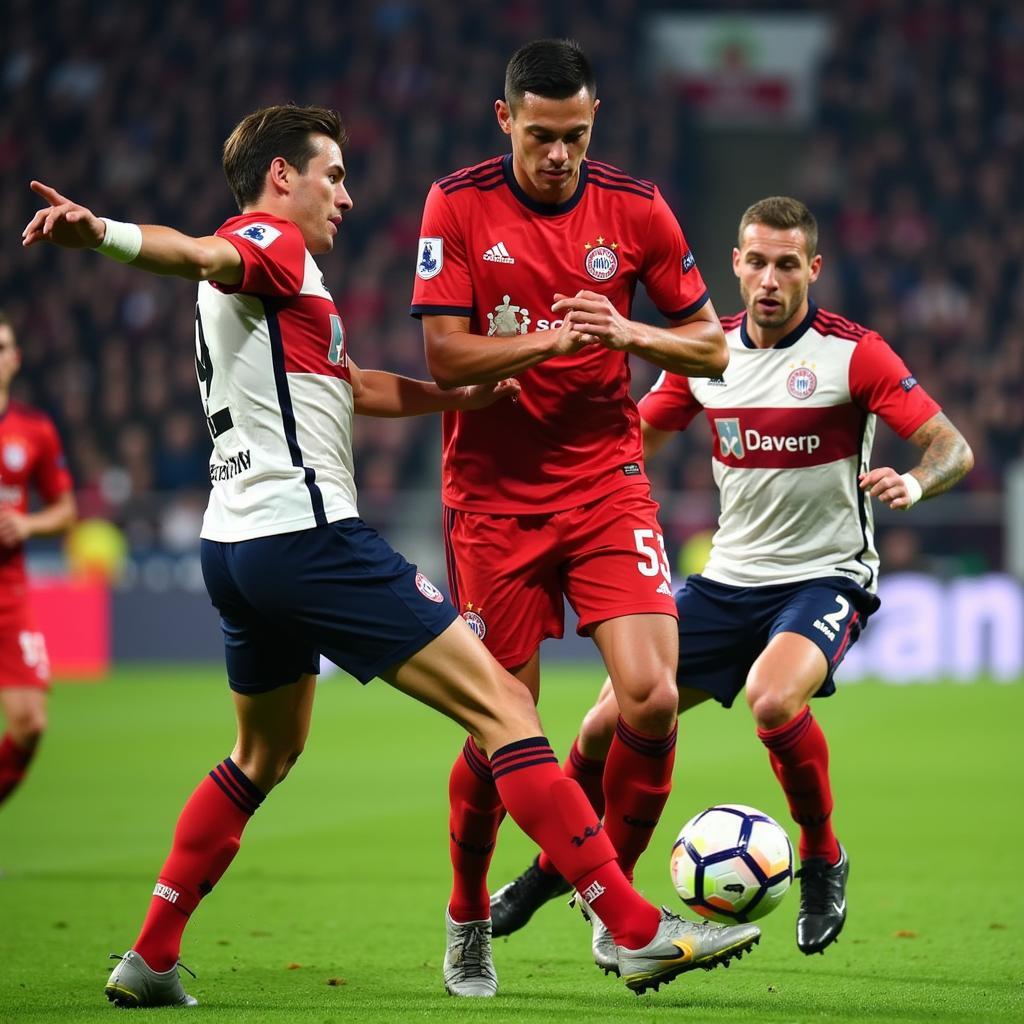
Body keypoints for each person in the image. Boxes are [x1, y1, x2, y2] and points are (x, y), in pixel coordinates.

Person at [22, 104, 759, 1007]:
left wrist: (467, 396)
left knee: (262, 755)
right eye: (331, 174)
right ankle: (635, 929)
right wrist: (108, 235)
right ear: (282, 177)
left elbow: (354, 386)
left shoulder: (279, 291)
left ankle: (150, 955)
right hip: (310, 539)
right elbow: (197, 249)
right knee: (505, 710)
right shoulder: (264, 242)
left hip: (235, 547)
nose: (347, 193)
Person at [488, 195, 975, 968]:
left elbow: (951, 447)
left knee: (774, 700)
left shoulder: (856, 355)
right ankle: (561, 871)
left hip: (825, 577)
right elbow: (633, 441)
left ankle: (821, 858)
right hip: (725, 582)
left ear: (813, 268)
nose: (770, 279)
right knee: (598, 728)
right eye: (757, 261)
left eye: (788, 264)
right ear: (736, 266)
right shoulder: (706, 355)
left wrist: (915, 484)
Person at [410, 38, 730, 986]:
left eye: (577, 136)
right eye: (543, 135)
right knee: (502, 725)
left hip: (603, 482)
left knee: (655, 695)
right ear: (505, 119)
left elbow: (713, 348)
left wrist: (627, 330)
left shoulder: (635, 207)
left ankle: (615, 909)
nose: (560, 154)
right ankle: (468, 909)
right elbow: (443, 360)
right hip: (493, 503)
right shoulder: (456, 203)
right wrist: (550, 340)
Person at [0, 312, 77, 814]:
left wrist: (27, 526)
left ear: (15, 360)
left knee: (30, 722)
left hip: (9, 591)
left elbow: (67, 510)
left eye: (2, 346)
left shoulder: (34, 430)